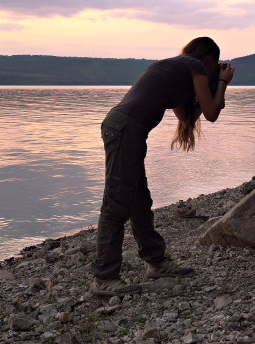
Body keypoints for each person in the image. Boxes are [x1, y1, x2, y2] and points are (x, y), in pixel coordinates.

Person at [90, 37, 235, 296]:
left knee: (138, 201)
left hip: (127, 129)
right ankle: (104, 278)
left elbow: (190, 118)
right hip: (125, 128)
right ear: (211, 59)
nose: (215, 70)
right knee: (117, 204)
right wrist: (222, 83)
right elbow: (212, 114)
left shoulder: (178, 71)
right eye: (216, 66)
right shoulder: (196, 67)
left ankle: (156, 263)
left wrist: (214, 92)